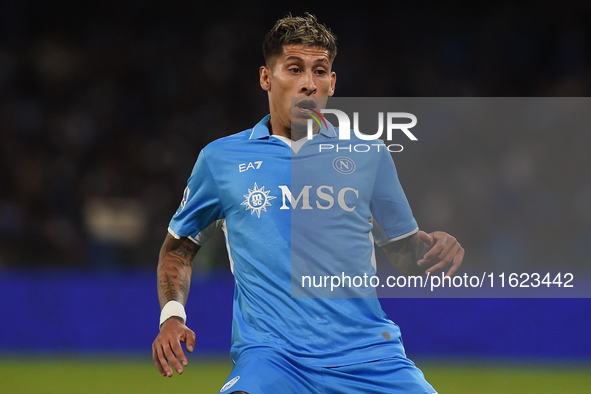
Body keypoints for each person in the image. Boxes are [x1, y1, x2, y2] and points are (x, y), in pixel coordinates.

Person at [152, 13, 464, 393]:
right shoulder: (221, 160)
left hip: (369, 357)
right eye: (295, 69)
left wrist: (434, 249)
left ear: (331, 83)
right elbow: (178, 249)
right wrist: (172, 316)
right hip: (272, 357)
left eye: (320, 71)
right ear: (267, 77)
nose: (308, 84)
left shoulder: (369, 155)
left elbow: (404, 252)